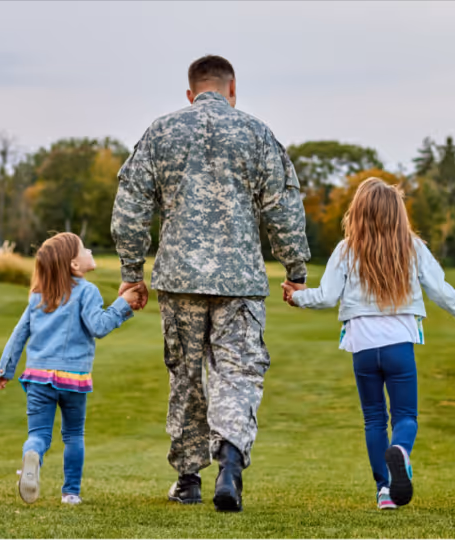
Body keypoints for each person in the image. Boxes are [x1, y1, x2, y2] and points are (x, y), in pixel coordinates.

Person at [111, 55, 309, 512]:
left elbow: (131, 204)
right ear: (232, 88)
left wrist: (130, 273)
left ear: (191, 92)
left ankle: (188, 478)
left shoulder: (161, 132)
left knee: (186, 375)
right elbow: (284, 207)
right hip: (239, 279)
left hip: (179, 278)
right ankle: (231, 460)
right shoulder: (257, 134)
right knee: (238, 370)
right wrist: (294, 271)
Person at [282, 178, 455, 510]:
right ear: (398, 214)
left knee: (373, 418)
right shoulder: (412, 248)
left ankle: (385, 490)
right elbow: (439, 288)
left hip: (363, 346)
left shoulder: (346, 249)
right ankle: (400, 451)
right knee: (405, 417)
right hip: (400, 343)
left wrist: (297, 298)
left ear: (357, 212)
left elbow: (326, 297)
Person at [0, 232, 140, 505]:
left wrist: (5, 368)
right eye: (85, 249)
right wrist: (124, 305)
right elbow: (99, 326)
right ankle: (70, 493)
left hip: (38, 378)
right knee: (73, 435)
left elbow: (19, 333)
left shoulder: (38, 296)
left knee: (38, 435)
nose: (91, 251)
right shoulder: (87, 291)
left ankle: (32, 456)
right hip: (73, 379)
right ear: (74, 265)